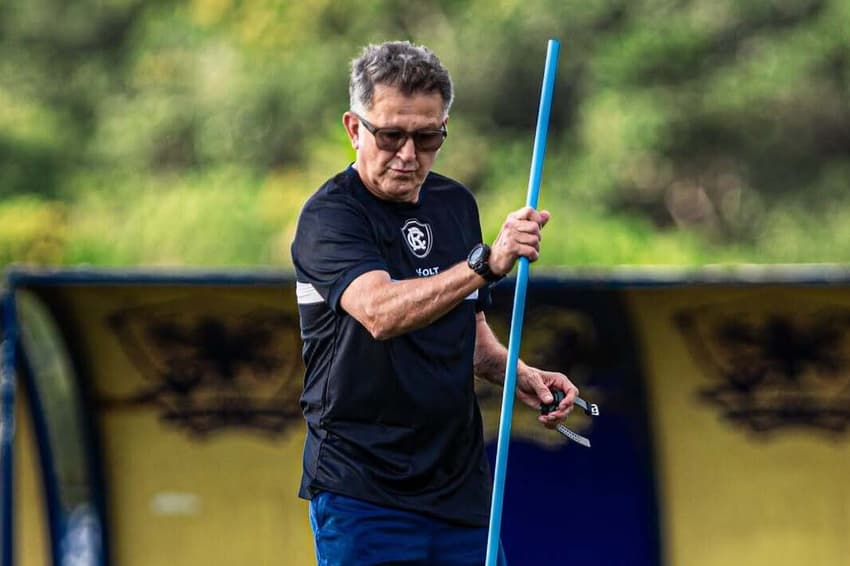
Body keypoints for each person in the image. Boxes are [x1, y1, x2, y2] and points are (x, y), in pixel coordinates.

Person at [291, 40, 578, 565]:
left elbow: (467, 338)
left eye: (427, 138)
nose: (408, 154)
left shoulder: (454, 205)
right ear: (355, 128)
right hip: (363, 493)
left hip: (459, 492)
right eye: (391, 135)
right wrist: (485, 264)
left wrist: (520, 374)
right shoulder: (330, 217)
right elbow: (381, 313)